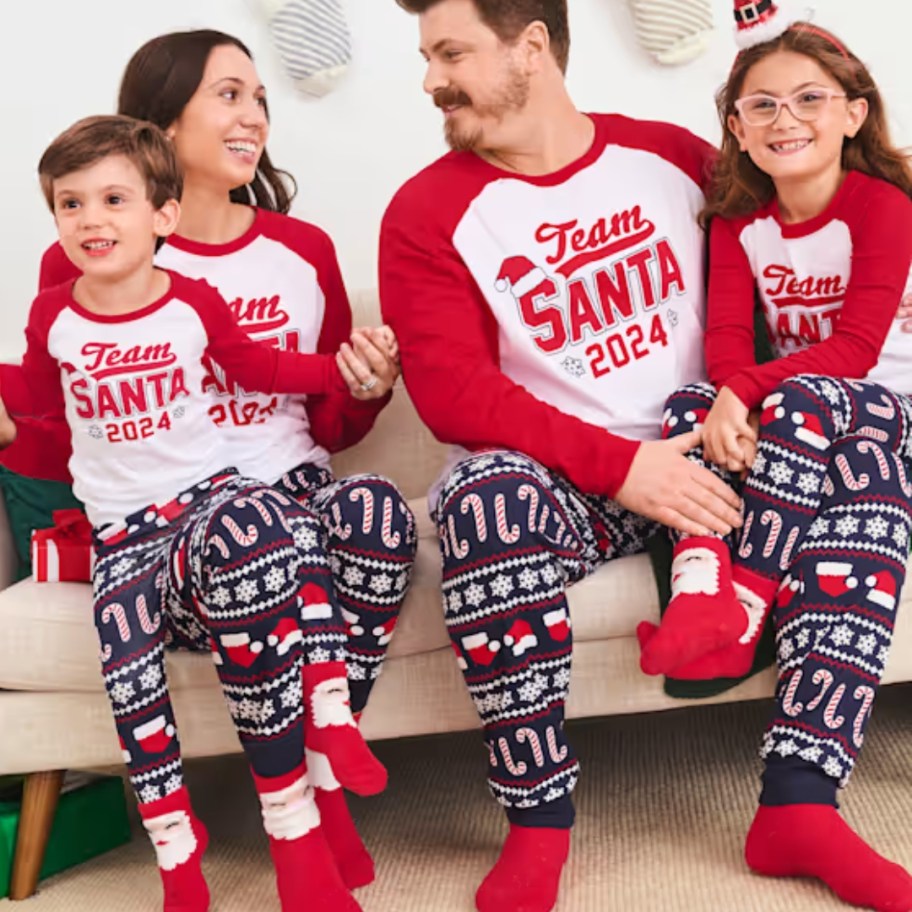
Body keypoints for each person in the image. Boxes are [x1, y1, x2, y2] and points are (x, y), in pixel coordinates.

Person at [380, 2, 912, 911]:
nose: (430, 78)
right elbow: (454, 396)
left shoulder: (671, 156)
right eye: (428, 55)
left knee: (862, 456)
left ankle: (799, 804)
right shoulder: (426, 210)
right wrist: (624, 468)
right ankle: (538, 824)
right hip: (576, 485)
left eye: (450, 52)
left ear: (532, 46)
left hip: (724, 448)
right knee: (477, 493)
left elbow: (790, 227)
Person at [36, 29, 418, 889]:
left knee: (380, 513)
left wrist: (365, 385)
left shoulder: (303, 251)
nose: (253, 117)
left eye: (259, 99)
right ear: (160, 127)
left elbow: (332, 424)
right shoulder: (93, 259)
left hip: (296, 496)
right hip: (182, 534)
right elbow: (71, 428)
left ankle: (322, 781)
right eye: (229, 95)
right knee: (249, 535)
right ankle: (296, 828)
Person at [636, 8, 912, 911]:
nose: (785, 118)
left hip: (885, 419)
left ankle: (738, 605)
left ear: (853, 114)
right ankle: (793, 802)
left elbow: (860, 346)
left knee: (805, 398)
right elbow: (722, 347)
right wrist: (726, 396)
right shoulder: (740, 222)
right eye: (761, 106)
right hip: (799, 436)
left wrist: (747, 392)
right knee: (681, 409)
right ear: (738, 130)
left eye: (809, 99)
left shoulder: (885, 205)